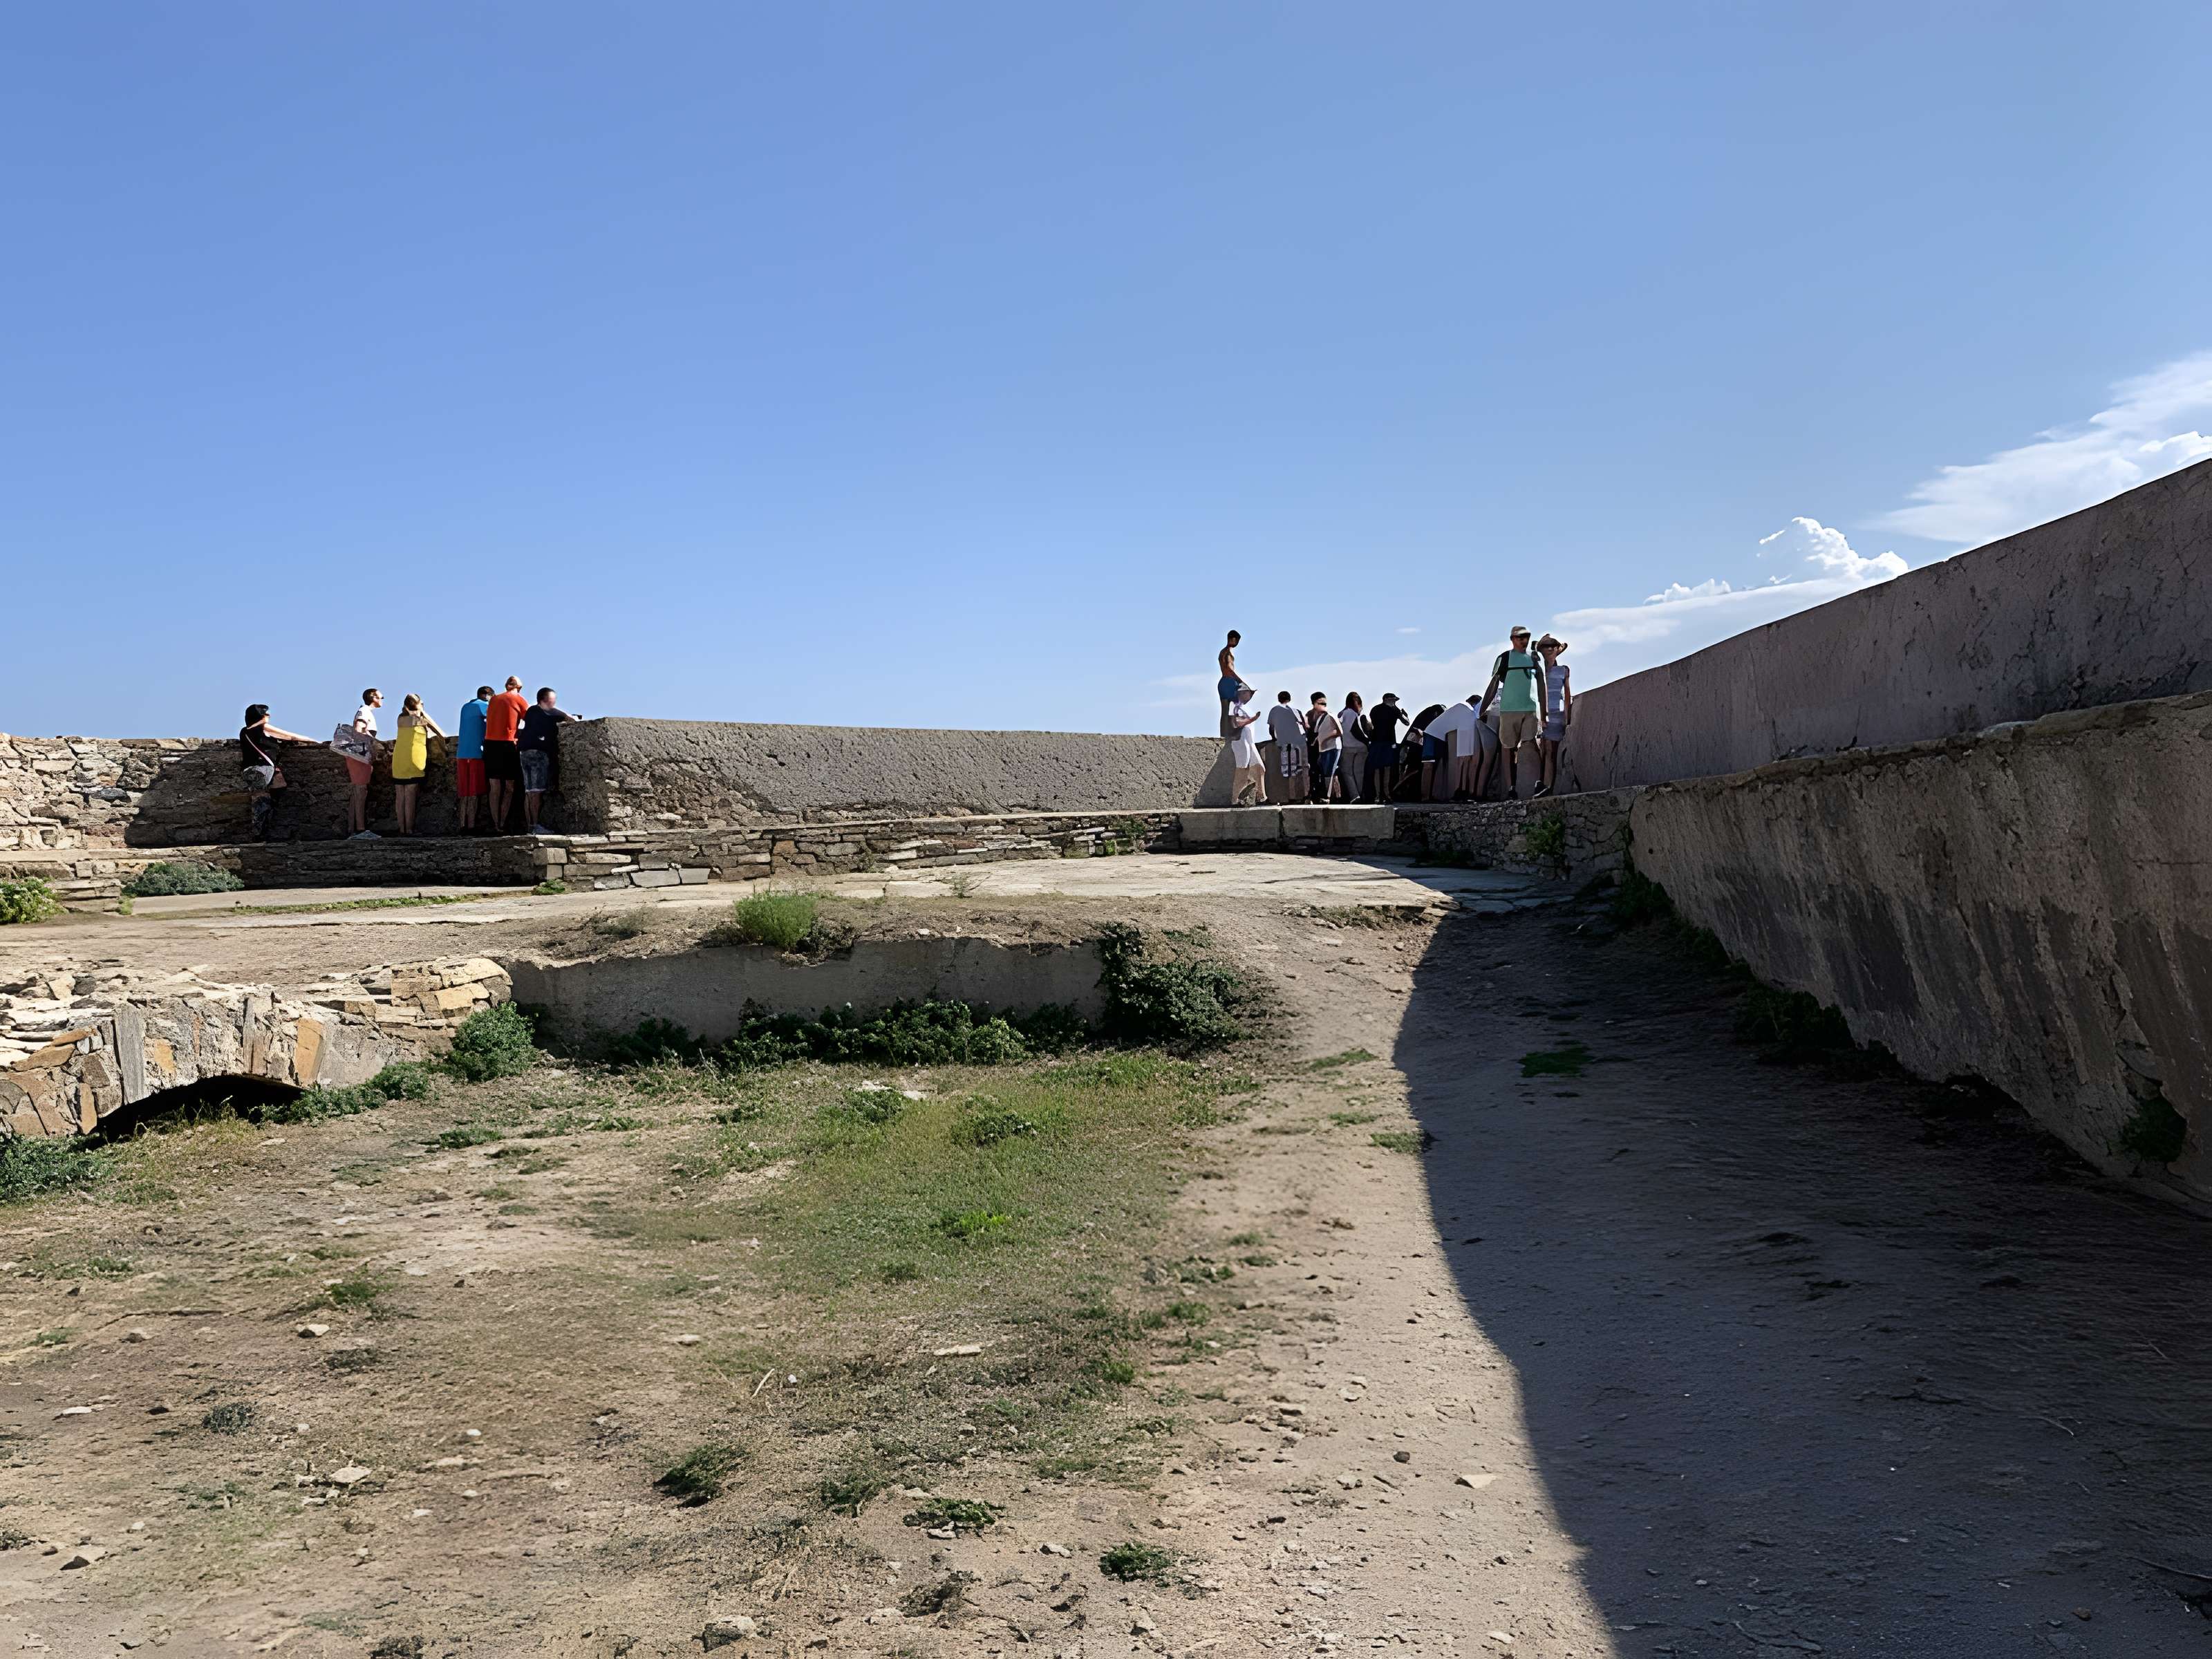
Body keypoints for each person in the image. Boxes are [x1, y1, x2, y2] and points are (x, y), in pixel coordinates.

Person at [1479, 626, 1545, 799]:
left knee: (1531, 744)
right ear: (1512, 639)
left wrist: (1544, 712)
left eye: (1527, 636)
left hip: (1530, 708)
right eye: (1520, 636)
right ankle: (1511, 787)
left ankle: (1539, 783)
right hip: (1508, 709)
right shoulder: (1505, 658)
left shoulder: (1533, 657)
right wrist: (1482, 707)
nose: (1524, 639)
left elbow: (1541, 684)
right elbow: (1494, 683)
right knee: (1509, 748)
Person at [238, 704, 313, 842]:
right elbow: (290, 736)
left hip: (253, 769)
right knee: (261, 800)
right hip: (260, 769)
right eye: (266, 714)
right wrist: (312, 741)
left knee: (278, 786)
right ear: (260, 717)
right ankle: (259, 834)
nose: (269, 716)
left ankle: (262, 830)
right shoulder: (263, 728)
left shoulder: (244, 732)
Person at [517, 686, 584, 834]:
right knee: (536, 792)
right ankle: (535, 827)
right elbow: (571, 719)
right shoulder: (548, 711)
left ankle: (530, 826)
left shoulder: (531, 711)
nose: (553, 703)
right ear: (545, 700)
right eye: (552, 700)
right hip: (537, 753)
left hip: (524, 752)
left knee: (529, 791)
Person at [389, 695, 447, 837]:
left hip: (398, 759)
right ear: (418, 705)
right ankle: (409, 830)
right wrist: (424, 713)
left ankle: (401, 828)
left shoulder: (400, 719)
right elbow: (441, 733)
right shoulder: (420, 720)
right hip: (414, 758)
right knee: (410, 795)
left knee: (400, 796)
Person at [482, 677, 529, 834]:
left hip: (490, 744)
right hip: (507, 744)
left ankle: (496, 824)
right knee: (509, 786)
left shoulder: (494, 699)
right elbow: (530, 719)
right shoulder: (519, 699)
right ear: (520, 687)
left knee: (494, 787)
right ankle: (502, 822)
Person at [1535, 635, 1573, 798]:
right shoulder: (1538, 670)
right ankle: (1542, 783)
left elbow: (1568, 693)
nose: (1550, 648)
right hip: (1540, 714)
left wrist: (1568, 716)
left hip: (1556, 713)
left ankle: (1549, 785)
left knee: (1552, 750)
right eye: (1546, 646)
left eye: (1553, 646)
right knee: (1544, 750)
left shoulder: (1563, 670)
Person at [344, 688, 383, 839]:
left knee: (357, 791)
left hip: (357, 753)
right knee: (361, 791)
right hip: (361, 753)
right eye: (381, 697)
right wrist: (372, 742)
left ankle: (352, 828)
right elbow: (358, 729)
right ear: (373, 697)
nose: (382, 699)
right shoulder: (365, 712)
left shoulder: (364, 711)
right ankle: (360, 830)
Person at [1428, 694, 1482, 800]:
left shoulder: (1461, 708)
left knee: (1462, 762)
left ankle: (1459, 790)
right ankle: (1462, 790)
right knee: (1464, 762)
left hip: (1444, 734)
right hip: (1464, 732)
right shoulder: (1468, 710)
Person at [454, 685, 492, 833]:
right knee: (474, 793)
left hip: (461, 754)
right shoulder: (485, 706)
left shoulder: (465, 706)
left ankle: (462, 825)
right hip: (476, 753)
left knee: (464, 793)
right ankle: (471, 826)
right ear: (487, 695)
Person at [1223, 686, 1264, 806]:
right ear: (1242, 693)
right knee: (1242, 769)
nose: (1250, 696)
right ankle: (1235, 799)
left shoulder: (1245, 707)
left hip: (1249, 741)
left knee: (1260, 768)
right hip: (1241, 741)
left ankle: (1260, 797)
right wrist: (1252, 719)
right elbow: (1236, 723)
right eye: (1249, 693)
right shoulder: (1234, 705)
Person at [1364, 693, 1408, 802]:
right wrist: (1399, 711)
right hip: (1387, 742)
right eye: (1393, 700)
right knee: (1384, 768)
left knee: (1379, 768)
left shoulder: (1375, 709)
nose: (1394, 702)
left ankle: (1380, 795)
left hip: (1378, 742)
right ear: (1387, 700)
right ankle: (1383, 795)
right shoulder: (1394, 711)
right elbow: (1406, 722)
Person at [1265, 691, 1307, 803]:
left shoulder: (1274, 710)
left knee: (1288, 772)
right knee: (1297, 771)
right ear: (1290, 699)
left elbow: (1271, 729)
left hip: (1284, 745)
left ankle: (1290, 797)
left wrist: (1276, 740)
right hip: (1297, 744)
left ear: (1279, 699)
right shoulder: (1296, 711)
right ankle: (1299, 797)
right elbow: (1304, 727)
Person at [1306, 693, 1342, 801]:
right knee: (1320, 773)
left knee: (1330, 772)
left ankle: (1330, 797)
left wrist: (1325, 737)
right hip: (1317, 749)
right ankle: (1321, 795)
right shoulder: (1312, 715)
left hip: (1331, 747)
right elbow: (1313, 732)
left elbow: (1339, 731)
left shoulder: (1330, 715)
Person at [1409, 702, 1447, 801]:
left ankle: (1424, 795)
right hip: (1429, 751)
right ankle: (1426, 796)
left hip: (1421, 752)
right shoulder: (1434, 725)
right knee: (1428, 767)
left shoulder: (1426, 720)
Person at [1336, 693, 1369, 804]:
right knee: (1359, 773)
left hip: (1348, 747)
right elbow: (1357, 731)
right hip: (1361, 748)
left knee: (1347, 773)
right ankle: (1361, 795)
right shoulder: (1354, 714)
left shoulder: (1342, 714)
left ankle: (1355, 796)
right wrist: (1367, 742)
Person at [1217, 631, 1246, 709]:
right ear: (1233, 639)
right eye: (1237, 641)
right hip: (1229, 682)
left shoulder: (1222, 652)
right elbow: (1230, 670)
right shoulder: (1228, 653)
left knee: (1225, 711)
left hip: (1223, 683)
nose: (1237, 643)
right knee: (1231, 712)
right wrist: (1241, 682)